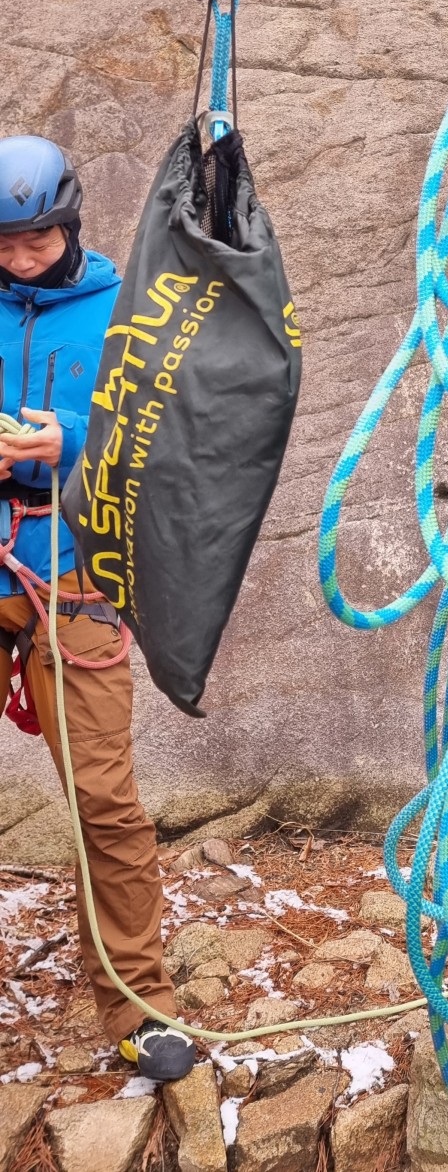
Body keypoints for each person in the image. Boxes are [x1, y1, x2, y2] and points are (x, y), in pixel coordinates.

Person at [0, 135, 195, 1082]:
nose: (17, 258)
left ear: (69, 223)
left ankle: (136, 999)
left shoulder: (123, 313)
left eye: (33, 240)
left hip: (75, 580)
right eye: (1, 245)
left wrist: (67, 439)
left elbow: (161, 439)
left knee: (107, 805)